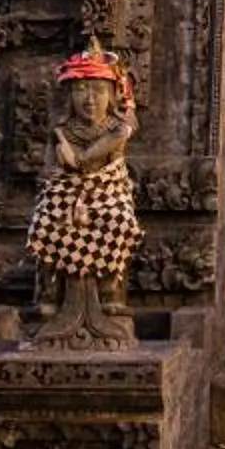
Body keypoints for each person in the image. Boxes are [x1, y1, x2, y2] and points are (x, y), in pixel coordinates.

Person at [24, 45, 142, 349]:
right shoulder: (63, 130)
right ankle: (49, 291)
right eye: (81, 90)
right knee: (46, 221)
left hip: (107, 191)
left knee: (118, 220)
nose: (90, 99)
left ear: (112, 95)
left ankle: (109, 288)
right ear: (70, 96)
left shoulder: (116, 128)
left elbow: (105, 157)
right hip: (67, 191)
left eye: (99, 91)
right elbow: (51, 170)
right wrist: (63, 176)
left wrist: (82, 160)